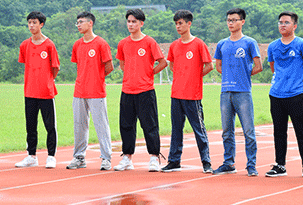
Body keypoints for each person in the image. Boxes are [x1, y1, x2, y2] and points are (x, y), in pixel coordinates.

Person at [265, 11, 303, 178]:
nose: (282, 25)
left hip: (296, 94)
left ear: (294, 26)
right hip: (276, 94)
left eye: (286, 22)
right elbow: (273, 68)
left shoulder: (302, 44)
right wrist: (282, 80)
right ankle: (280, 165)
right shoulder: (273, 46)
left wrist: (299, 79)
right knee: (279, 131)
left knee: (301, 131)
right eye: (280, 22)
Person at [114, 9, 168, 172]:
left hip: (145, 91)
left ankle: (154, 157)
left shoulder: (149, 42)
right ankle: (127, 157)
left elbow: (162, 62)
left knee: (149, 125)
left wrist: (149, 73)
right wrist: (131, 75)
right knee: (126, 125)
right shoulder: (123, 43)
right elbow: (122, 64)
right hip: (127, 90)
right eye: (129, 21)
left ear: (141, 23)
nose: (131, 24)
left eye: (134, 22)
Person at [161, 10, 214, 174]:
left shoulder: (198, 44)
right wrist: (182, 76)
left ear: (189, 24)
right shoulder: (174, 45)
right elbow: (172, 65)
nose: (178, 26)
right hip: (176, 94)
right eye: (176, 24)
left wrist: (194, 76)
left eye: (181, 23)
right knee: (176, 129)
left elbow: (209, 66)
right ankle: (174, 161)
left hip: (193, 95)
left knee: (199, 129)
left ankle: (206, 162)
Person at [213, 8, 263, 176]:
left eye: (234, 20)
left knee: (248, 131)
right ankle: (228, 163)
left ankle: (251, 165)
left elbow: (258, 66)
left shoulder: (249, 42)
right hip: (225, 92)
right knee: (227, 131)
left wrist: (243, 75)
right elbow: (218, 66)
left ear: (242, 22)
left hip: (243, 92)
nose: (231, 23)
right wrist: (230, 75)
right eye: (229, 20)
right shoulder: (222, 44)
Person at [67, 11, 114, 171]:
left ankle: (106, 158)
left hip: (96, 91)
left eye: (81, 22)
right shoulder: (77, 45)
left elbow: (109, 66)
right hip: (79, 91)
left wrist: (96, 77)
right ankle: (79, 157)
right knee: (79, 125)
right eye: (77, 22)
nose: (78, 25)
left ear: (90, 23)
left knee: (101, 125)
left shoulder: (101, 43)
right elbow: (79, 66)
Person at [15, 11, 60, 169]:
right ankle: (31, 156)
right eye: (29, 23)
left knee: (50, 126)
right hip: (29, 91)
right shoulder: (24, 45)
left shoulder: (49, 45)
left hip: (46, 92)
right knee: (30, 126)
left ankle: (51, 156)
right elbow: (26, 63)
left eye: (34, 22)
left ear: (41, 24)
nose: (31, 25)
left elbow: (55, 67)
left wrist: (47, 80)